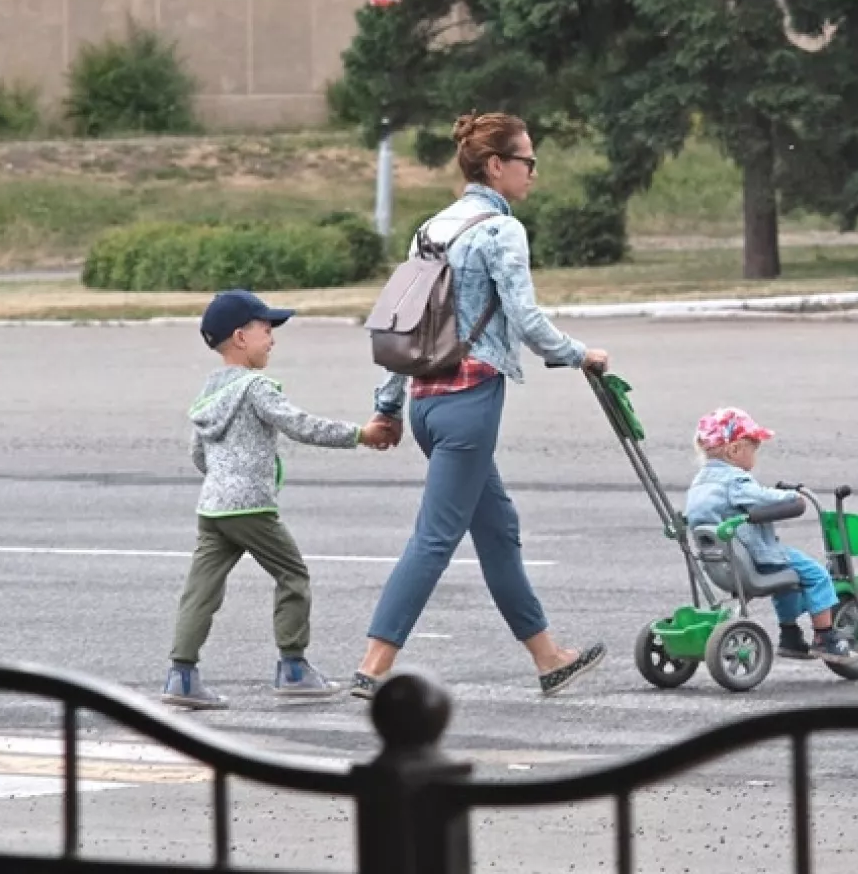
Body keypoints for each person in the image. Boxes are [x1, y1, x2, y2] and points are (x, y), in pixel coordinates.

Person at [352, 111, 609, 700]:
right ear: (497, 166)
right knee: (435, 538)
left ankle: (548, 658)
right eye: (528, 162)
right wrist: (581, 355)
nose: (533, 174)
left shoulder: (432, 227)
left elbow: (403, 324)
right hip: (470, 400)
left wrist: (388, 408)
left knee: (497, 529)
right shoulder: (500, 231)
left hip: (424, 405)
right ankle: (373, 666)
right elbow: (526, 319)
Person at [163, 289, 398, 710]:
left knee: (200, 591)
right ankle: (293, 667)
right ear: (240, 337)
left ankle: (182, 675)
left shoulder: (209, 393)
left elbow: (197, 454)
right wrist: (359, 435)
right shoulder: (255, 387)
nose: (272, 339)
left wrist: (223, 478)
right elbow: (297, 424)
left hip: (213, 506)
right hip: (251, 506)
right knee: (293, 576)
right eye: (266, 330)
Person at [683, 407, 858, 664]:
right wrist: (792, 498)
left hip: (724, 565)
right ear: (734, 450)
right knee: (816, 575)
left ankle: (790, 636)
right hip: (756, 559)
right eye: (753, 449)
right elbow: (762, 498)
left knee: (787, 583)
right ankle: (826, 638)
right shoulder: (735, 481)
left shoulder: (700, 484)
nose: (755, 456)